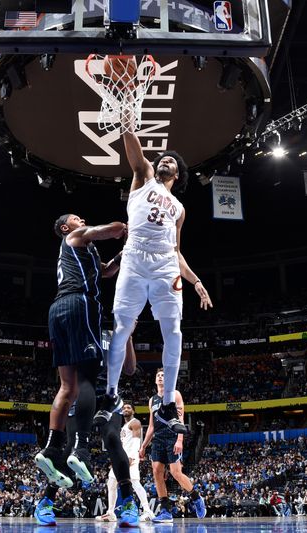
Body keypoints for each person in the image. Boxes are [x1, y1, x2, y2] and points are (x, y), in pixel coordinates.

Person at [95, 121, 212, 435]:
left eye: (171, 162)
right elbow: (135, 154)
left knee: (173, 331)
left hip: (165, 266)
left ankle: (168, 404)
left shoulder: (179, 207)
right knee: (120, 328)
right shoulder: (143, 176)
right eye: (162, 158)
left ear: (177, 175)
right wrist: (125, 122)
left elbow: (176, 251)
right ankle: (110, 396)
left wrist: (196, 281)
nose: (165, 161)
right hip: (133, 257)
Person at [34, 214, 141, 527]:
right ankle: (47, 499)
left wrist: (129, 334)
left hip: (107, 399)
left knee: (112, 439)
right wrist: (126, 230)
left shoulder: (111, 334)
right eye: (76, 217)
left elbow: (131, 369)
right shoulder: (90, 327)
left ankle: (127, 501)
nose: (82, 218)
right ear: (67, 226)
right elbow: (103, 232)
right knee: (71, 444)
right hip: (85, 391)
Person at [139, 368, 206, 523]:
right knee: (157, 472)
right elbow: (151, 426)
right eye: (158, 375)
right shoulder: (152, 400)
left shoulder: (175, 394)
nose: (161, 377)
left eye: (163, 375)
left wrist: (180, 439)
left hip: (172, 436)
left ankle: (196, 498)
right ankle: (165, 511)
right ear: (155, 380)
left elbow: (180, 420)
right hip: (158, 438)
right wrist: (143, 446)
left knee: (176, 473)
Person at [96, 404, 154, 522]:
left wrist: (132, 456)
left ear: (133, 410)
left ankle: (148, 511)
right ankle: (111, 513)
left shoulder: (135, 422)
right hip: (121, 458)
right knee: (111, 483)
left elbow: (137, 440)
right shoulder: (124, 426)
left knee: (135, 483)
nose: (125, 410)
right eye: (123, 408)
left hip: (130, 458)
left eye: (128, 408)